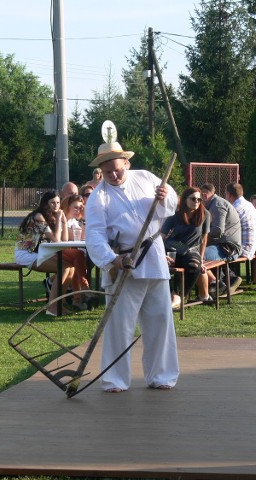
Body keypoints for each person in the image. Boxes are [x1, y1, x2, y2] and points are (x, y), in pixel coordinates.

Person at [84, 139, 179, 393]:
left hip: (154, 255)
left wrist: (164, 197)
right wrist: (113, 260)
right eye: (108, 172)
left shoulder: (146, 178)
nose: (114, 175)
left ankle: (162, 375)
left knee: (160, 319)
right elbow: (93, 236)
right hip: (124, 261)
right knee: (120, 325)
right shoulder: (98, 198)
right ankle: (115, 379)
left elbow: (171, 205)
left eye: (118, 168)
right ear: (100, 171)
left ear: (126, 162)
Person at [14, 190, 73, 315]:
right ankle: (52, 307)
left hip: (39, 253)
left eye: (58, 203)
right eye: (52, 203)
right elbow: (57, 240)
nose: (56, 206)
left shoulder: (51, 216)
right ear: (45, 204)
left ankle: (59, 304)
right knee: (63, 268)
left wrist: (63, 221)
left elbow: (65, 240)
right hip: (25, 254)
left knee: (70, 268)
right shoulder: (38, 216)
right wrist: (58, 219)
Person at [161, 187, 211, 304]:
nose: (196, 202)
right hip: (172, 251)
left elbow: (204, 240)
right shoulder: (174, 216)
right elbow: (161, 237)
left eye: (199, 199)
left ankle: (178, 295)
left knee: (195, 266)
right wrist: (162, 255)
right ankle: (165, 296)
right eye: (193, 199)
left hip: (191, 252)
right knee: (162, 265)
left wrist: (201, 259)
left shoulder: (205, 215)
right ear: (185, 200)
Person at [199, 183, 242, 294]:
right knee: (195, 253)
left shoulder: (217, 205)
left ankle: (216, 284)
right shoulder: (215, 203)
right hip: (222, 245)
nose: (197, 202)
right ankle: (223, 281)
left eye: (198, 199)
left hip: (228, 248)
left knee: (196, 256)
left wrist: (199, 237)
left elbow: (217, 231)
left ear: (204, 195)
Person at [60, 194, 94, 310]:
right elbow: (70, 239)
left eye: (80, 208)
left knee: (79, 259)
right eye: (75, 207)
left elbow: (82, 238)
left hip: (70, 252)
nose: (78, 210)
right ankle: (84, 288)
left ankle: (77, 299)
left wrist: (84, 218)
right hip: (56, 251)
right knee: (79, 255)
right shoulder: (62, 218)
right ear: (67, 206)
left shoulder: (74, 221)